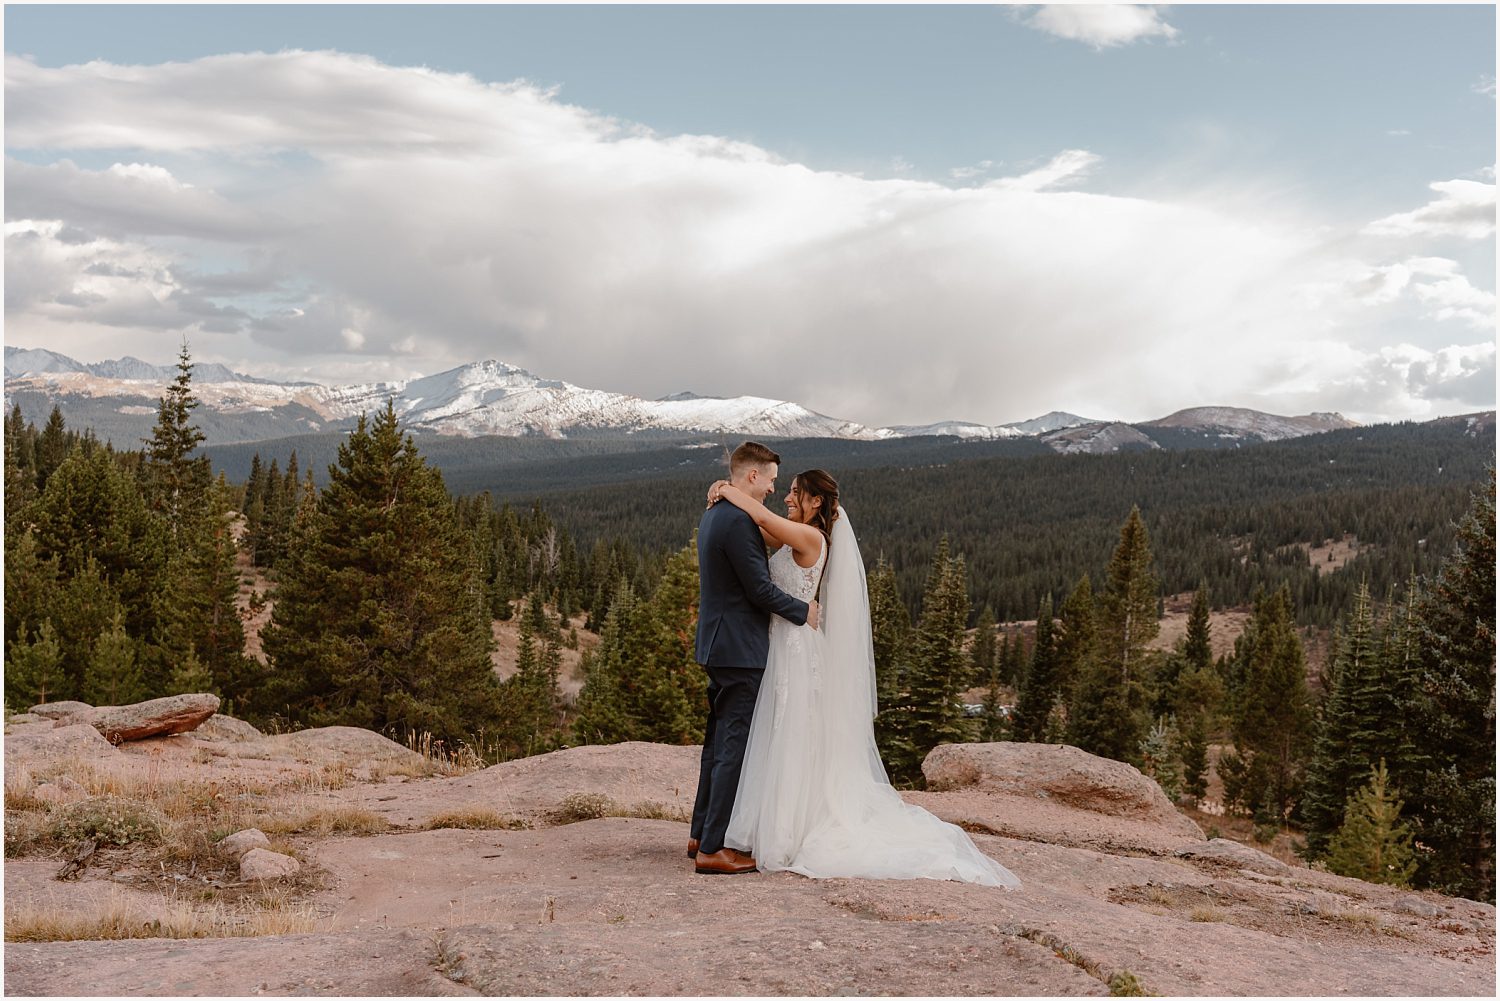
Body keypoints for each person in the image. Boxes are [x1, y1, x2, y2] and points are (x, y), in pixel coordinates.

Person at [706, 468, 1020, 887]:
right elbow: (756, 534)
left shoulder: (810, 538)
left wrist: (726, 488)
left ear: (817, 501)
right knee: (776, 734)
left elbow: (760, 521)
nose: (785, 497)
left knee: (790, 733)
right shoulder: (794, 532)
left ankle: (785, 829)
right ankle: (763, 823)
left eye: (795, 492)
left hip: (796, 649)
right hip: (781, 645)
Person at [690, 442, 819, 875]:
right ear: (752, 477)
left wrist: (723, 489)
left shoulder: (716, 514)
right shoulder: (739, 520)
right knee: (732, 746)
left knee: (715, 743)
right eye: (770, 480)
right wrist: (805, 612)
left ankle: (699, 833)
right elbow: (759, 591)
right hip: (739, 648)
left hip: (718, 643)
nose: (771, 489)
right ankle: (713, 848)